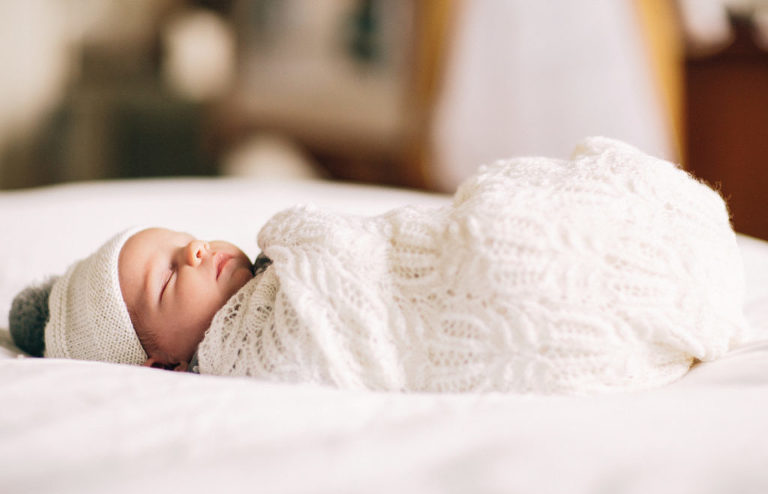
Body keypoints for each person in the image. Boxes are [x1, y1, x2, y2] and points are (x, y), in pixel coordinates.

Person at [9, 137, 748, 394]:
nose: (198, 251)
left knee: (507, 207)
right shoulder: (245, 347)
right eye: (171, 274)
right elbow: (350, 327)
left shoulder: (264, 272)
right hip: (452, 300)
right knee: (507, 246)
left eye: (186, 240)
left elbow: (383, 244)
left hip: (417, 253)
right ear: (160, 364)